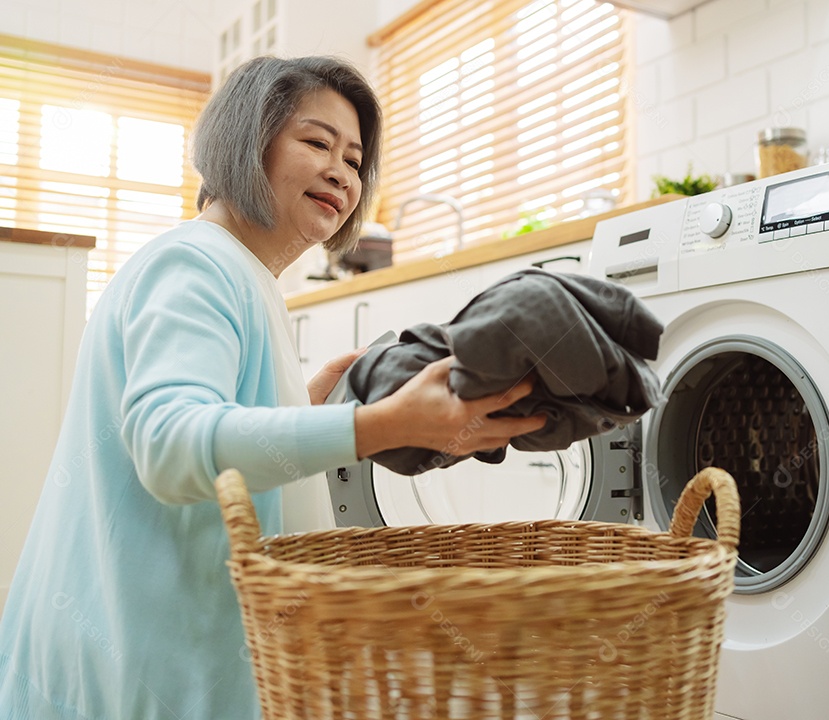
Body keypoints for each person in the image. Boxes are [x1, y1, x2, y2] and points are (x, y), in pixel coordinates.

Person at [0, 55, 545, 719]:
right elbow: (171, 444)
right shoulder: (195, 262)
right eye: (317, 142)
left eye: (354, 158)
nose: (342, 170)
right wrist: (383, 426)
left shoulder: (239, 274)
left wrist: (301, 405)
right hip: (140, 665)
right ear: (245, 141)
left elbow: (212, 429)